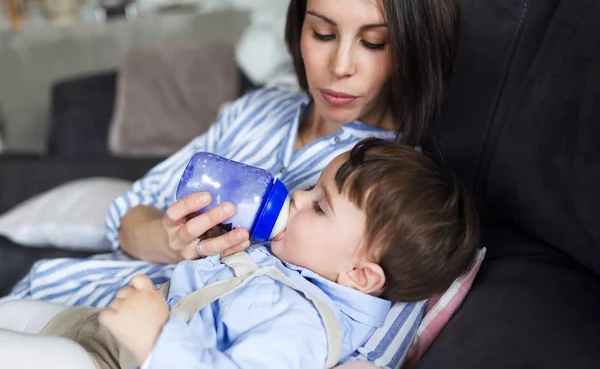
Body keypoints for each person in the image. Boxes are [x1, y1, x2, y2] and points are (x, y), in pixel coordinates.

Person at [8, 0, 461, 368]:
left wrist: (158, 342)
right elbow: (128, 214)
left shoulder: (402, 204)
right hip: (64, 296)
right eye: (322, 33)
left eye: (373, 42)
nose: (340, 66)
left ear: (414, 48)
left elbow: (362, 355)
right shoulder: (257, 111)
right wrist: (171, 241)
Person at [0, 139, 479, 369]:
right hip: (98, 324)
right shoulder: (290, 261)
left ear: (359, 274)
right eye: (311, 186)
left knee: (52, 355)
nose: (296, 197)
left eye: (319, 205)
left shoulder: (308, 326)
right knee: (13, 314)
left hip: (125, 362)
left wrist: (158, 341)